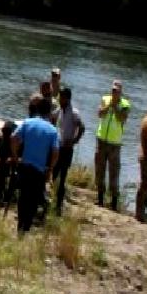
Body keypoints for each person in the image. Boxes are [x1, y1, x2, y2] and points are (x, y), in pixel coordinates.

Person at [13, 96, 60, 234]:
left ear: (38, 109)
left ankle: (20, 225)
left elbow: (13, 139)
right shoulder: (52, 130)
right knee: (34, 199)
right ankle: (26, 226)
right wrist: (50, 168)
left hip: (25, 165)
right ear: (49, 112)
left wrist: (16, 158)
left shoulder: (27, 123)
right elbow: (56, 152)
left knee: (23, 196)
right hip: (39, 170)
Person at [95, 80, 133, 210]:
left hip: (115, 143)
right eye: (113, 90)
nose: (114, 92)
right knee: (100, 169)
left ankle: (114, 203)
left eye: (116, 90)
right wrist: (109, 105)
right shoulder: (105, 99)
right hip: (102, 140)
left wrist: (116, 106)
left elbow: (122, 119)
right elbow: (100, 114)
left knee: (114, 172)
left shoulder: (125, 104)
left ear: (121, 91)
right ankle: (100, 198)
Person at [52, 88, 83, 216]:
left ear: (67, 98)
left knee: (63, 176)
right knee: (54, 174)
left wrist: (74, 140)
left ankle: (58, 206)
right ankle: (53, 200)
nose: (60, 99)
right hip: (58, 147)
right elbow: (52, 117)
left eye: (62, 97)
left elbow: (82, 127)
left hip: (67, 149)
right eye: (60, 97)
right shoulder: (60, 110)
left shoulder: (74, 112)